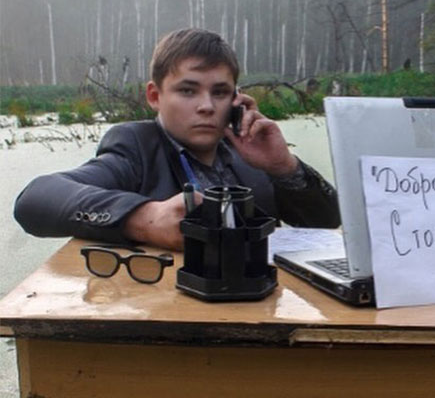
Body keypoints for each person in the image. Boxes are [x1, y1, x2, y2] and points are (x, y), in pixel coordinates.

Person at [13, 28, 340, 246]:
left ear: (236, 100)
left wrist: (284, 167)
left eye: (220, 92)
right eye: (188, 90)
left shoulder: (251, 156)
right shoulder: (136, 148)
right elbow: (35, 199)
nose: (207, 106)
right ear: (155, 96)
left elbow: (327, 222)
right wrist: (143, 218)